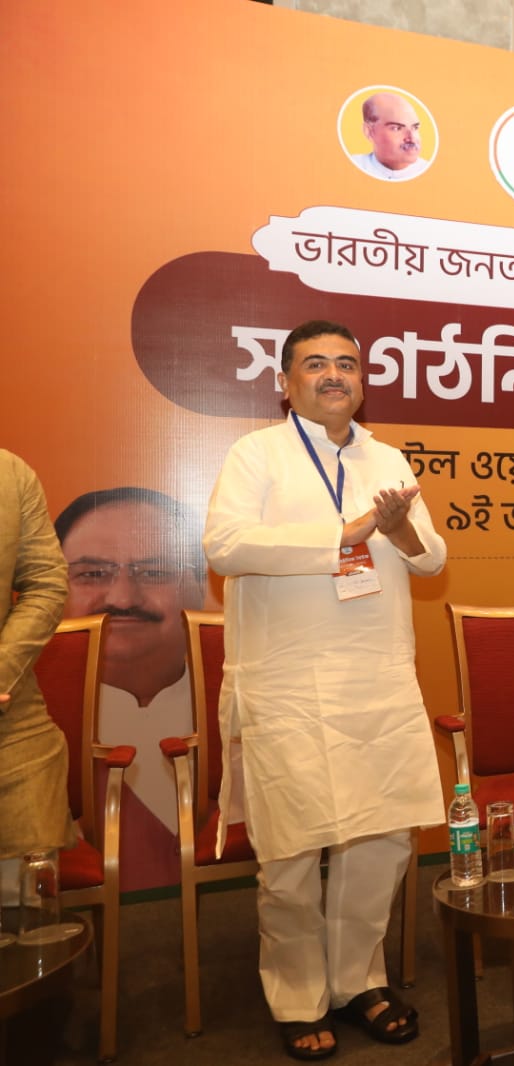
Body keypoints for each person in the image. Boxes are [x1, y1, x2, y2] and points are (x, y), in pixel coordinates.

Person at [203, 320, 446, 1060]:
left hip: (376, 679)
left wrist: (398, 530)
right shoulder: (256, 455)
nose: (335, 375)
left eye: (347, 364)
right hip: (287, 684)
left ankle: (358, 980)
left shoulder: (387, 457)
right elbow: (224, 545)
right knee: (292, 849)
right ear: (285, 381)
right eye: (316, 365)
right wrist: (349, 534)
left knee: (383, 840)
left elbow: (431, 560)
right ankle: (297, 993)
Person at [55, 487, 207, 892]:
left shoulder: (237, 703)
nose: (122, 597)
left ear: (199, 586)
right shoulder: (26, 723)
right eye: (91, 574)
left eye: (154, 572)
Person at [0, 450, 71, 900]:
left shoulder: (10, 474)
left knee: (27, 908)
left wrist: (2, 668)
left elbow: (46, 583)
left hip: (10, 717)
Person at [350, 92, 430, 181]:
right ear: (369, 131)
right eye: (397, 128)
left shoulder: (431, 171)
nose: (412, 138)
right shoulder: (351, 166)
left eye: (415, 127)